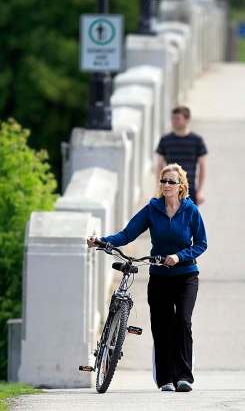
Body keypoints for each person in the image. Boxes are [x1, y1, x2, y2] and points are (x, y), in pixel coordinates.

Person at [87, 163, 207, 392]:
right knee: (162, 326)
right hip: (159, 275)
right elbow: (127, 233)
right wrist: (102, 241)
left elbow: (201, 243)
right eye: (163, 181)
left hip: (186, 275)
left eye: (171, 182)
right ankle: (165, 379)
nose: (166, 185)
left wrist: (179, 256)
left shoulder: (191, 211)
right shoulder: (152, 209)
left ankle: (183, 376)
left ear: (181, 186)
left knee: (182, 321)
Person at [156, 106, 208, 205]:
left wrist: (200, 191)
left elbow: (202, 167)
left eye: (177, 118)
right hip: (170, 187)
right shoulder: (165, 140)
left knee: (188, 220)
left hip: (189, 188)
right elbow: (159, 165)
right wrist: (159, 187)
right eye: (173, 118)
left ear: (187, 119)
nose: (174, 121)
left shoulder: (197, 140)